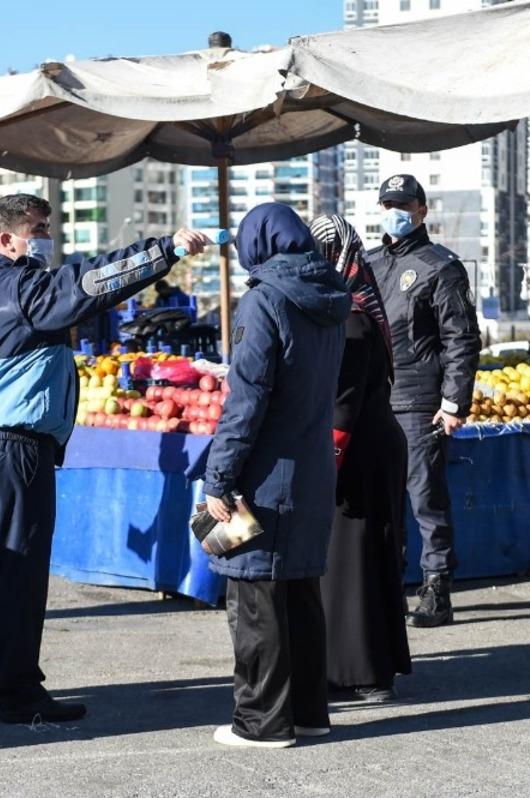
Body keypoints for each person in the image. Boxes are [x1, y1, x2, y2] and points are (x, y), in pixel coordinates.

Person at [0, 193, 205, 724]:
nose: (47, 237)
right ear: (7, 239)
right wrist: (167, 249)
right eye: (38, 228)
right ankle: (20, 693)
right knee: (21, 566)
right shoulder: (23, 287)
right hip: (16, 444)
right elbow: (94, 282)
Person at [203, 203, 350, 748]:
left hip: (265, 476)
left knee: (256, 599)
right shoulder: (331, 298)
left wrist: (218, 478)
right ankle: (308, 712)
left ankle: (261, 721)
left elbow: (246, 403)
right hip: (312, 469)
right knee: (301, 595)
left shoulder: (265, 300)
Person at [366, 174, 480, 629]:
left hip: (418, 401)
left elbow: (462, 339)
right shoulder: (370, 263)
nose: (395, 212)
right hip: (375, 400)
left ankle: (436, 589)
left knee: (426, 499)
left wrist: (454, 402)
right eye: (388, 204)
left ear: (421, 210)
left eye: (403, 204)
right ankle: (385, 586)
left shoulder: (441, 267)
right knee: (381, 501)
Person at [309, 214, 411, 703]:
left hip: (357, 452)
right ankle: (364, 666)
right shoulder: (355, 305)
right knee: (365, 559)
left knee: (354, 563)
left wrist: (326, 461)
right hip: (372, 446)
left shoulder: (349, 318)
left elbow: (343, 404)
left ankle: (362, 673)